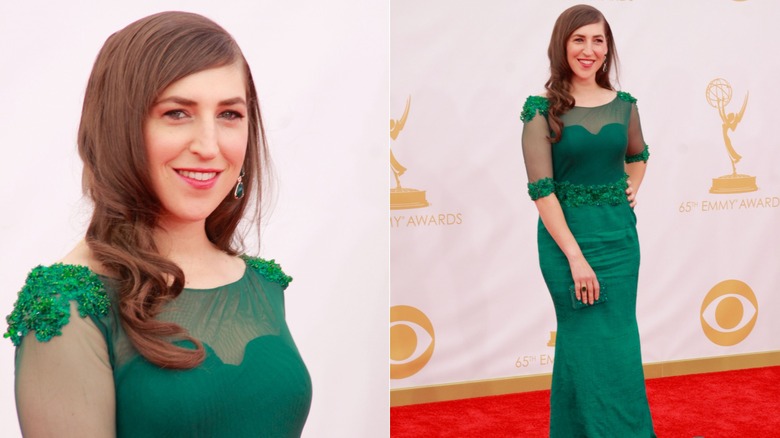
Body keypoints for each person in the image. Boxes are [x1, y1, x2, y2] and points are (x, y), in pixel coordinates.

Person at [4, 11, 312, 437]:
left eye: (229, 115)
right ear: (120, 128)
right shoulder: (68, 305)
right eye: (177, 113)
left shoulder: (263, 283)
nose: (209, 145)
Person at [520, 4, 654, 437]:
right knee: (584, 342)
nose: (589, 49)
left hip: (619, 240)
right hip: (567, 246)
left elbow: (639, 154)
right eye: (579, 39)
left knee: (617, 345)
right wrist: (576, 258)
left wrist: (631, 185)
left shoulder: (625, 106)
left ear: (607, 48)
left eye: (598, 40)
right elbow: (543, 191)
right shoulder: (541, 110)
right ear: (562, 45)